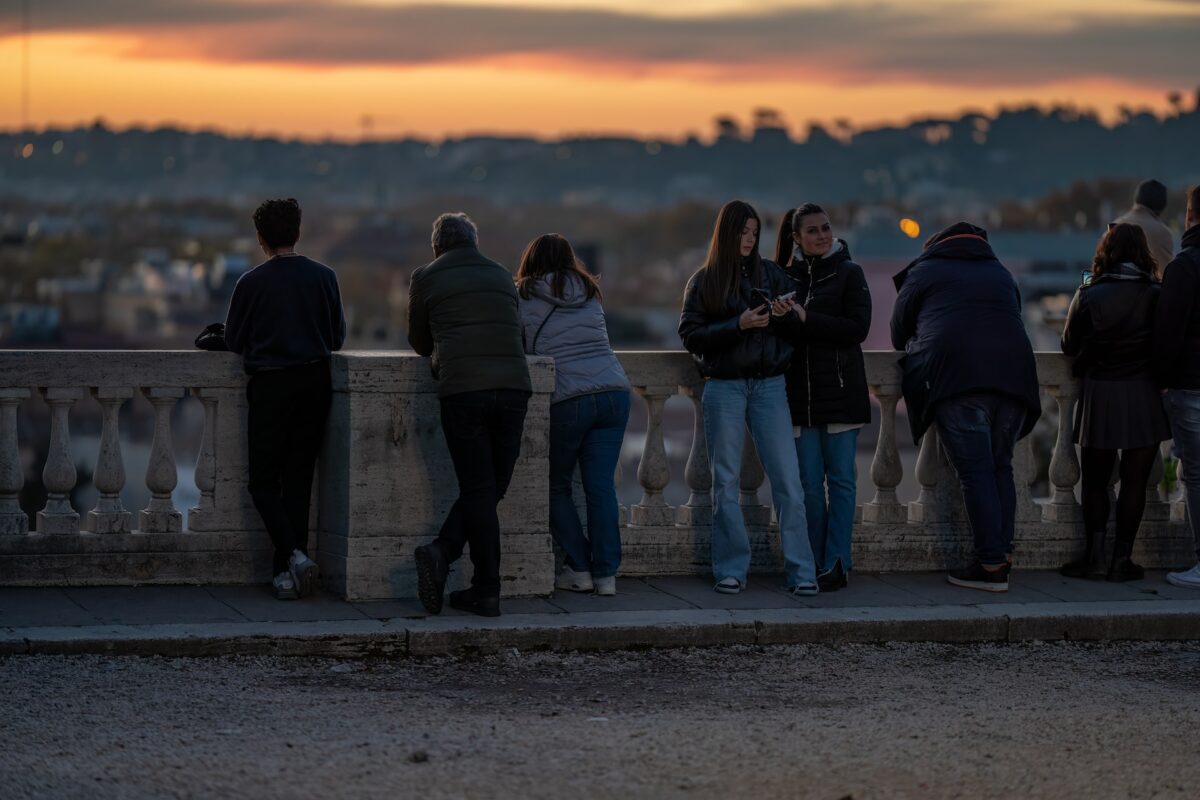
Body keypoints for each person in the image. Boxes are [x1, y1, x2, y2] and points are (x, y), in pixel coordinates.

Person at [890, 222, 1041, 593]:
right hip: (1014, 378)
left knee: (975, 473)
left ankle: (990, 566)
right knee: (1000, 467)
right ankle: (1001, 556)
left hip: (957, 378)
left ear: (936, 246)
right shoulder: (1000, 272)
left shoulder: (925, 270)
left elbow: (898, 331)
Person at [679, 200, 818, 596]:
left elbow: (796, 331)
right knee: (724, 480)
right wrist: (737, 324)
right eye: (743, 232)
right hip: (724, 385)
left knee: (788, 480)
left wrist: (784, 314)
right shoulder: (704, 281)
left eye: (754, 233)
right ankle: (731, 569)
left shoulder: (772, 274)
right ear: (727, 233)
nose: (749, 240)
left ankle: (802, 570)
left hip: (770, 384)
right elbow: (690, 334)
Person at [409, 213, 532, 617]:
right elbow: (519, 333)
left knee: (481, 489)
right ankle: (478, 584)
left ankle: (456, 562)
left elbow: (419, 342)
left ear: (436, 247)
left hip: (464, 390)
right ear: (474, 242)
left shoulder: (426, 276)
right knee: (490, 488)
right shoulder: (501, 276)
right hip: (514, 388)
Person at [224, 198, 346, 601]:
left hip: (271, 384)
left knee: (262, 481)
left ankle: (291, 559)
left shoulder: (251, 283)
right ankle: (290, 571)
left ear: (260, 238)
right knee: (298, 480)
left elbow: (235, 341)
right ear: (298, 231)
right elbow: (336, 338)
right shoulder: (325, 277)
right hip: (314, 382)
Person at [517, 234, 631, 596]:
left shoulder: (524, 296)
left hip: (569, 397)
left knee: (555, 485)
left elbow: (522, 345)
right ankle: (607, 575)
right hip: (614, 392)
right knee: (601, 488)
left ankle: (579, 567)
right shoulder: (589, 292)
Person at [1060, 223, 1169, 581]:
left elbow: (1068, 346)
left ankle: (1094, 558)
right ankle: (1122, 560)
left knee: (1094, 480)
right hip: (1143, 393)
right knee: (1134, 482)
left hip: (1101, 392)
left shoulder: (1089, 292)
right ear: (1142, 252)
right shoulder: (1157, 293)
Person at [774, 204, 871, 592]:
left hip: (842, 393)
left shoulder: (850, 273)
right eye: (812, 231)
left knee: (843, 482)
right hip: (798, 396)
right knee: (809, 487)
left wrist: (805, 319)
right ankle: (813, 562)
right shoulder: (784, 276)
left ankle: (837, 562)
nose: (822, 235)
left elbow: (857, 329)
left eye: (826, 228)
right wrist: (786, 318)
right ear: (796, 238)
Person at [1154, 184, 1200, 589]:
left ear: (1190, 215)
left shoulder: (1184, 267)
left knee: (1197, 475)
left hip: (1191, 384)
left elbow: (1167, 333)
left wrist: (1163, 382)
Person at [1114, 179, 1174, 278]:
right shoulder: (1162, 232)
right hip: (1146, 292)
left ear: (1136, 199)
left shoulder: (1115, 225)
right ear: (1162, 206)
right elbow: (1167, 275)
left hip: (1113, 291)